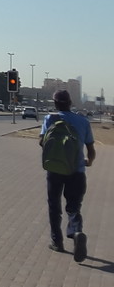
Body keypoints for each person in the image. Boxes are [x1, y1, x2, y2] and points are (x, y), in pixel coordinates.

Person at [40, 89, 96, 261]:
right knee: (73, 206)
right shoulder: (82, 121)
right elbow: (91, 150)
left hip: (55, 170)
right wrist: (88, 161)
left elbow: (42, 141)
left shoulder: (50, 119)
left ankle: (57, 242)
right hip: (76, 171)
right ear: (70, 103)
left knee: (54, 206)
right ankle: (76, 232)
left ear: (55, 104)